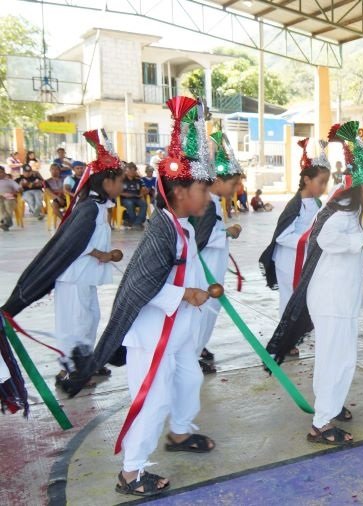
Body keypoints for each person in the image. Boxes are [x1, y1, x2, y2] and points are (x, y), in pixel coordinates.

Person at [60, 96, 216, 497]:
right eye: (202, 188)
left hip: (178, 330)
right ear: (180, 192)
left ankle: (180, 434)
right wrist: (187, 294)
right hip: (154, 333)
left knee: (189, 378)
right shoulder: (162, 230)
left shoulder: (182, 225)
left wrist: (198, 293)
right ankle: (131, 472)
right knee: (154, 397)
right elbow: (140, 286)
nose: (208, 195)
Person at [269, 120, 363, 445]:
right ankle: (321, 424)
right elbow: (329, 239)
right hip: (333, 301)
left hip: (338, 299)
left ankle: (326, 413)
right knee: (337, 359)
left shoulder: (347, 210)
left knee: (337, 358)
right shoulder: (343, 213)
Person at [1, 130, 124, 386]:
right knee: (75, 323)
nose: (122, 186)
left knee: (88, 319)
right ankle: (69, 369)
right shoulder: (89, 207)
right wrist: (104, 253)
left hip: (85, 275)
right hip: (74, 275)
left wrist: (104, 254)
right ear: (106, 182)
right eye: (119, 181)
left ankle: (85, 364)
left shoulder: (98, 206)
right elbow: (73, 243)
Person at [259, 138, 331, 323]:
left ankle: (293, 334)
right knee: (289, 298)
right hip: (288, 261)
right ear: (307, 179)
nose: (323, 187)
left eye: (326, 183)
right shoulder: (295, 205)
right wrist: (309, 239)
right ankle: (283, 337)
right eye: (320, 182)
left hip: (304, 258)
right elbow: (283, 236)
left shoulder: (316, 203)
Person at [192, 130, 244, 374]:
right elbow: (200, 238)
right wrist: (227, 232)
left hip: (211, 267)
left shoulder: (211, 200)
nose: (235, 189)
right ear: (218, 181)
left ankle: (196, 350)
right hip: (205, 270)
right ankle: (192, 355)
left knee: (207, 314)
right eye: (233, 183)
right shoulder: (207, 202)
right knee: (203, 314)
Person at [120, 162, 148, 229]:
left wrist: (142, 193)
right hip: (125, 199)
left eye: (134, 170)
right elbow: (117, 192)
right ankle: (136, 222)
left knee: (144, 204)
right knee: (129, 203)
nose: (133, 171)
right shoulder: (122, 180)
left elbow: (145, 189)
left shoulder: (139, 180)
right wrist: (128, 195)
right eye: (131, 170)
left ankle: (136, 223)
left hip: (137, 198)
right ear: (127, 170)